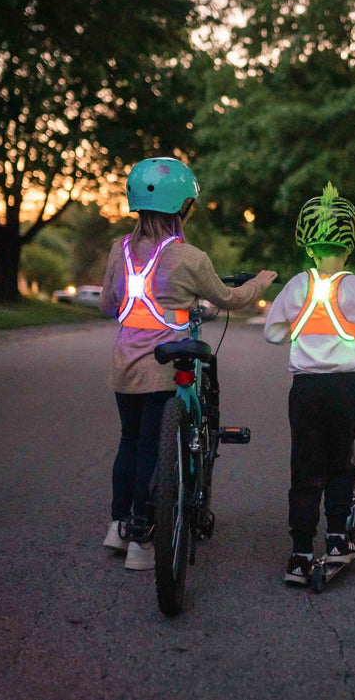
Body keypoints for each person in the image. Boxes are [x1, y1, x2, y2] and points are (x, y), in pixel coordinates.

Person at [99, 157, 277, 571]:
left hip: (124, 365)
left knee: (129, 441)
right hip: (163, 367)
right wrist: (259, 282)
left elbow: (109, 303)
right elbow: (229, 299)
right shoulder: (190, 258)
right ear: (182, 206)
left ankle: (118, 526)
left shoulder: (118, 250)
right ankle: (143, 540)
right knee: (149, 447)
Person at [263, 182, 355, 585]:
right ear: (350, 244)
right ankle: (338, 538)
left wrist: (299, 330)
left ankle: (300, 553)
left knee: (304, 466)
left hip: (305, 389)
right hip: (346, 389)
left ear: (308, 245)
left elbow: (272, 334)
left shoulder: (295, 287)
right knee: (341, 463)